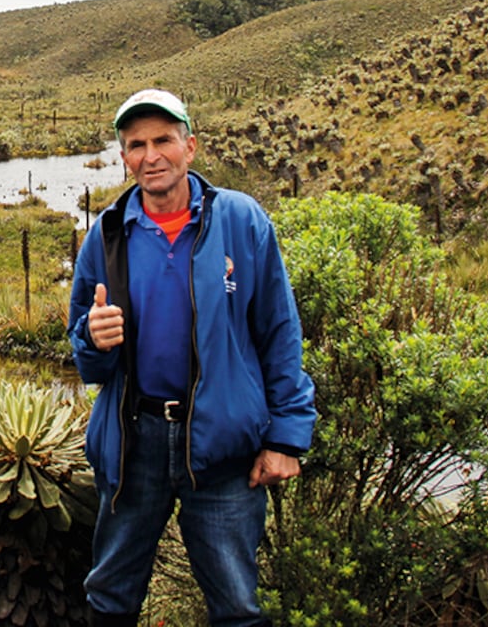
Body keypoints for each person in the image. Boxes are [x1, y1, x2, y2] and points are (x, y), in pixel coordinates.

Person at [67, 89, 315, 627]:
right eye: (136, 145)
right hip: (135, 444)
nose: (151, 156)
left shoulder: (241, 221)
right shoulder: (107, 236)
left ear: (190, 146)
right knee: (110, 596)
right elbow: (87, 362)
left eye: (163, 140)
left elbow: (279, 331)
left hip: (222, 447)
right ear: (124, 157)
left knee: (236, 604)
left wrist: (286, 439)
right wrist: (94, 338)